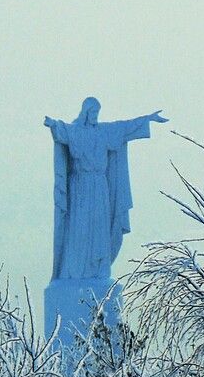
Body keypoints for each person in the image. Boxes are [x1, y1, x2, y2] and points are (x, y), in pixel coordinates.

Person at [44, 97, 167, 280]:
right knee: (80, 228)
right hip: (81, 187)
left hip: (100, 187)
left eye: (97, 113)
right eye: (92, 112)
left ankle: (98, 267)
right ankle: (75, 270)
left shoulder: (104, 132)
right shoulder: (75, 131)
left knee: (99, 229)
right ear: (85, 112)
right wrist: (52, 124)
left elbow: (125, 128)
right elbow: (62, 130)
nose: (95, 116)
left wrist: (147, 119)